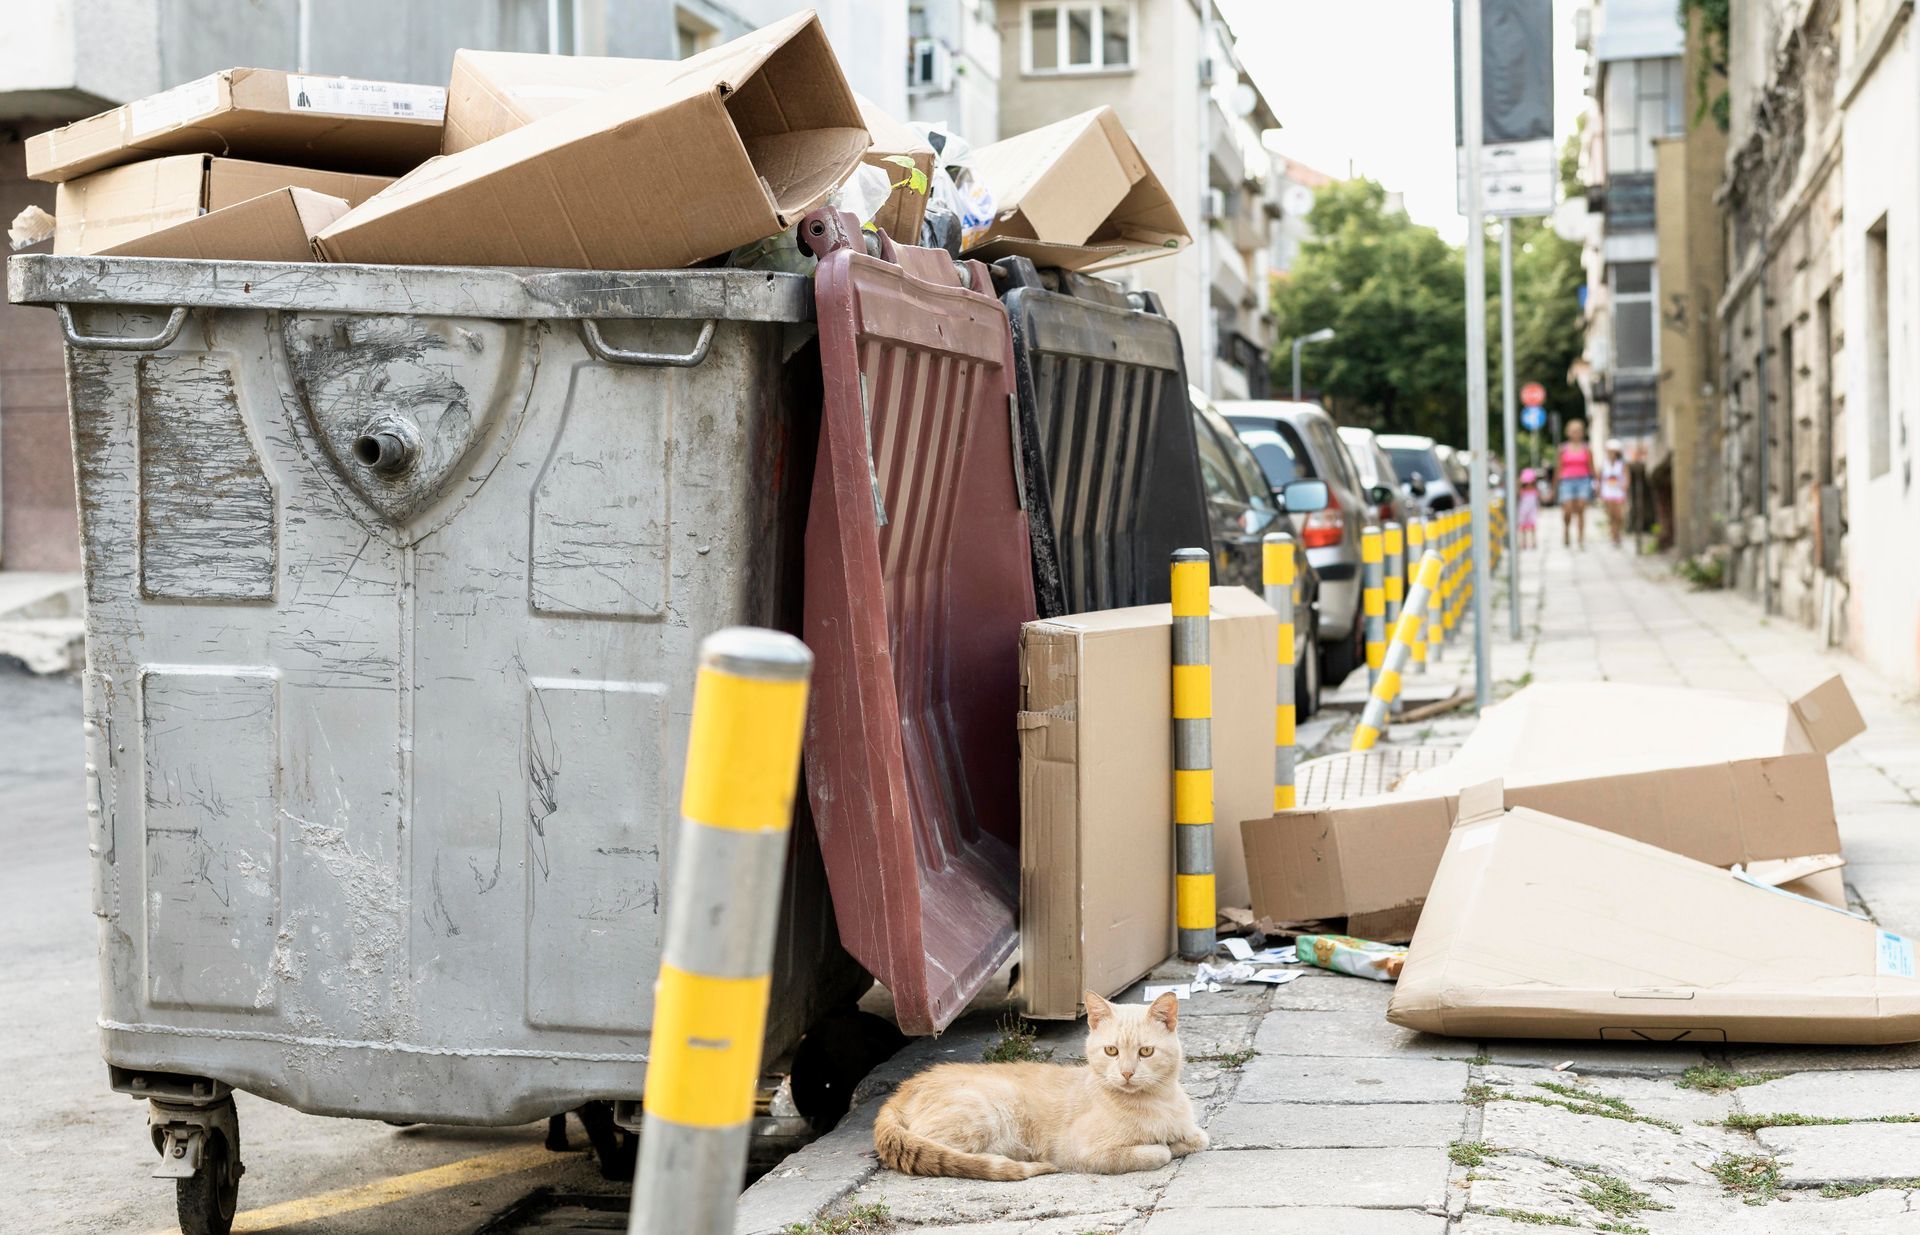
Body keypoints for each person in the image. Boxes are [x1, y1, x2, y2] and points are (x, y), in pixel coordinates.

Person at [1555, 420, 1596, 549]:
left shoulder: (1587, 449)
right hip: (1567, 481)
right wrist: (1554, 486)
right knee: (1567, 509)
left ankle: (1580, 537)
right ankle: (1566, 529)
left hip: (1583, 480)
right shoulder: (1562, 449)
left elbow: (1591, 467)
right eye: (1573, 431)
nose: (1576, 433)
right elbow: (1558, 468)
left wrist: (1597, 483)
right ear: (1568, 433)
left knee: (1581, 509)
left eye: (1578, 431)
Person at [1600, 439, 1629, 547]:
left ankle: (1618, 533)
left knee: (1619, 515)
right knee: (1611, 515)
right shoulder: (1604, 464)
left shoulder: (1621, 464)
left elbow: (1626, 477)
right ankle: (1614, 536)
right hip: (1608, 492)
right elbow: (1600, 478)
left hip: (1618, 492)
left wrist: (1625, 486)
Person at [1516, 466, 1540, 549]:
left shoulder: (1535, 490)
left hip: (1532, 511)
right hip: (1523, 511)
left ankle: (1533, 542)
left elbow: (1537, 501)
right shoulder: (1522, 491)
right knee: (1523, 527)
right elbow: (1518, 496)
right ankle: (1523, 543)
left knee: (1532, 527)